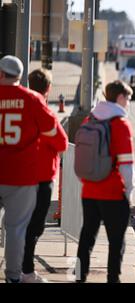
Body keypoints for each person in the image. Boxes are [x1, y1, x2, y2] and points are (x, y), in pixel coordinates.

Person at [0, 56, 58, 283]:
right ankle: (14, 276)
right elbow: (57, 136)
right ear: (20, 76)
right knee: (16, 228)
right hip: (19, 175)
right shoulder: (31, 99)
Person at [76, 80, 135, 283]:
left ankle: (78, 276)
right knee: (116, 240)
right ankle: (113, 279)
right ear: (120, 98)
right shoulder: (120, 124)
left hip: (89, 191)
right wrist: (128, 192)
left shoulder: (89, 120)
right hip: (113, 192)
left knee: (86, 237)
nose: (129, 103)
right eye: (128, 99)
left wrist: (86, 181)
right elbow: (127, 166)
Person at [21, 69, 68, 283]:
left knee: (18, 224)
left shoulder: (20, 108)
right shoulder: (43, 110)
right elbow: (62, 143)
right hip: (40, 177)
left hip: (18, 176)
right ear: (49, 88)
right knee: (34, 226)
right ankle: (26, 271)